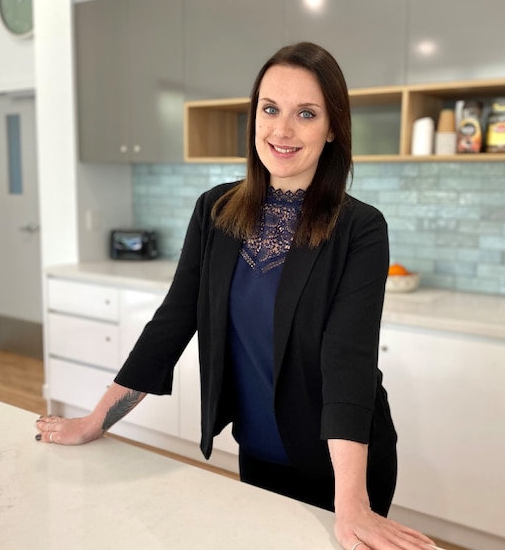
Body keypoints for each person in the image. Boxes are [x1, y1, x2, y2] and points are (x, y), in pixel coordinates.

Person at [35, 42, 436, 550]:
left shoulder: (359, 228)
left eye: (306, 114)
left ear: (332, 128)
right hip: (257, 452)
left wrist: (351, 500)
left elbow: (349, 363)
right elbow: (172, 322)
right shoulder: (215, 211)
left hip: (342, 469)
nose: (282, 130)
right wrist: (97, 419)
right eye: (270, 109)